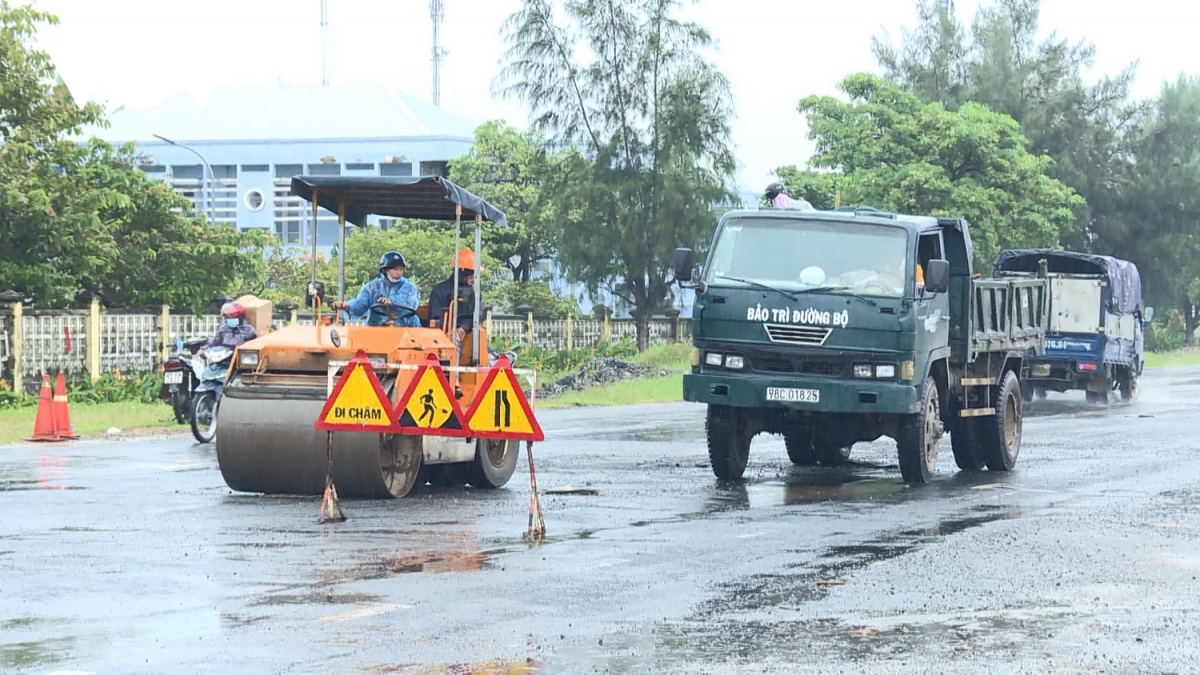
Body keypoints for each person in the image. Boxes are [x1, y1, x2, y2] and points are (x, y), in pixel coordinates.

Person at [331, 251, 421, 327]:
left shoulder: (409, 286)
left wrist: (392, 302)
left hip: (406, 330)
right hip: (377, 329)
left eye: (401, 269)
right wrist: (347, 306)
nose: (399, 272)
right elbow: (360, 304)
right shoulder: (372, 287)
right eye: (395, 269)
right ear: (385, 270)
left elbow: (409, 302)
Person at [428, 248, 479, 341]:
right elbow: (435, 317)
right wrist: (450, 330)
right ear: (463, 274)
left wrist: (464, 327)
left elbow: (478, 314)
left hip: (468, 335)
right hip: (442, 336)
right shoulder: (439, 290)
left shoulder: (474, 293)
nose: (474, 280)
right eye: (472, 276)